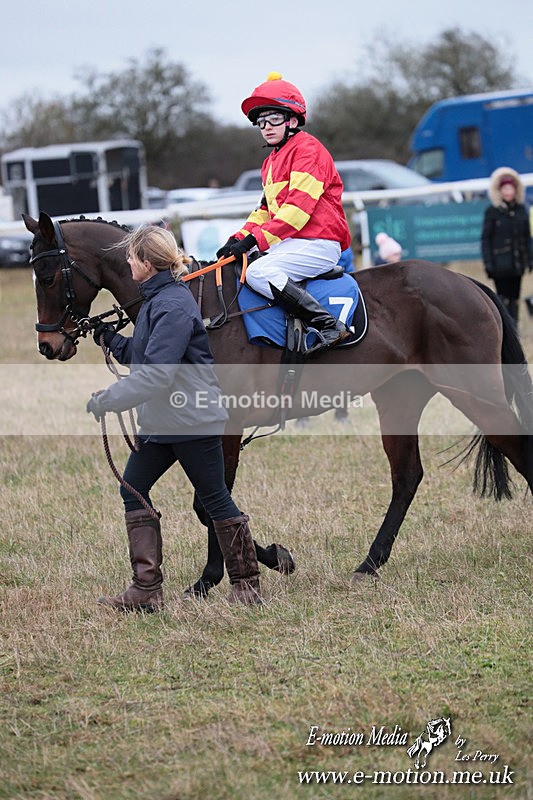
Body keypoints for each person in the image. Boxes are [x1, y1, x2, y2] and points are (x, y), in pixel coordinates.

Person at [86, 225, 263, 610]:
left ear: (148, 264)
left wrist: (110, 399)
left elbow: (157, 374)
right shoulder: (157, 299)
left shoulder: (173, 305)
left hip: (191, 420)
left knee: (216, 499)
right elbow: (144, 355)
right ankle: (146, 591)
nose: (128, 262)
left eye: (132, 257)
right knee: (132, 487)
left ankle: (247, 585)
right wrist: (110, 339)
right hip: (163, 421)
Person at [216, 72, 353, 357]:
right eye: (261, 121)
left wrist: (253, 242)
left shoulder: (308, 150)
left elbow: (296, 213)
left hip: (319, 242)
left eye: (273, 119)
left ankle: (327, 324)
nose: (266, 126)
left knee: (258, 271)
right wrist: (237, 239)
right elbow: (264, 211)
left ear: (292, 120)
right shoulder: (270, 162)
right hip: (293, 243)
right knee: (240, 268)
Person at [481, 166, 532, 324]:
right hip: (500, 265)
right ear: (500, 191)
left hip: (517, 263)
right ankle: (505, 325)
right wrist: (489, 262)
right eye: (505, 189)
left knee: (514, 296)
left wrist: (530, 258)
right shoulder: (492, 212)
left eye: (511, 188)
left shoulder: (521, 211)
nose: (508, 192)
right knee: (502, 298)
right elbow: (486, 239)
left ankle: (514, 325)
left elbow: (526, 237)